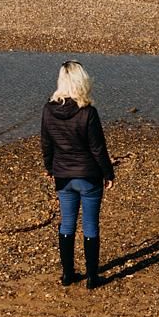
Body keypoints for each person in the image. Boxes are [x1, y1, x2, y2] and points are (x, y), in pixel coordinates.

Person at [40, 61, 116, 288]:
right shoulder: (88, 112)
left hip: (63, 175)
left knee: (67, 223)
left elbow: (46, 143)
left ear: (61, 81)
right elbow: (98, 148)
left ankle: (67, 274)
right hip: (88, 176)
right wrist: (108, 173)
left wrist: (49, 168)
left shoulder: (48, 110)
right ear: (82, 81)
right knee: (90, 224)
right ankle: (92, 277)